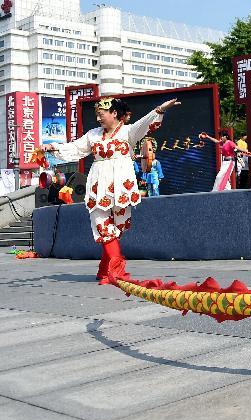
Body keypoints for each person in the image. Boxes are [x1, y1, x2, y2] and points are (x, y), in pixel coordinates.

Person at [40, 97, 180, 284]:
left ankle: (104, 270)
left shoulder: (128, 132)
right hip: (99, 186)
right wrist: (51, 147)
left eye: (102, 113)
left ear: (114, 113)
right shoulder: (93, 135)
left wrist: (160, 109)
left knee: (117, 228)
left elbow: (145, 123)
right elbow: (75, 148)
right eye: (97, 114)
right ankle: (117, 273)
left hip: (122, 186)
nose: (99, 118)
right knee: (103, 226)